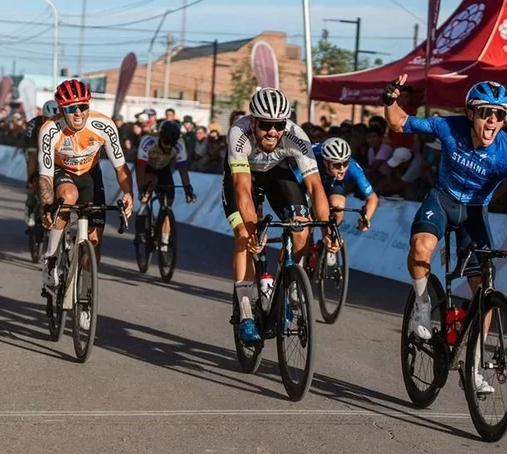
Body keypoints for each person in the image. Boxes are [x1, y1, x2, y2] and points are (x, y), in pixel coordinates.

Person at [384, 74, 507, 394]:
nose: (492, 120)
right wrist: (390, 100)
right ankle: (421, 305)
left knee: (484, 291)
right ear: (471, 113)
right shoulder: (449, 127)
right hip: (442, 199)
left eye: (500, 114)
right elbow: (399, 123)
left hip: (475, 212)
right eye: (486, 112)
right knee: (421, 248)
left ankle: (473, 364)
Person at [223, 88, 335, 344]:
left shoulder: (297, 137)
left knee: (302, 225)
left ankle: (286, 284)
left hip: (276, 173)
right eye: (266, 125)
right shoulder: (239, 134)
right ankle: (246, 314)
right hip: (243, 175)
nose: (273, 131)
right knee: (244, 234)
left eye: (279, 125)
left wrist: (328, 228)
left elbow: (315, 186)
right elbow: (241, 188)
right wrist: (251, 229)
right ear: (253, 121)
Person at [37, 79, 134, 292]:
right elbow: (45, 176)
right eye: (72, 108)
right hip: (62, 171)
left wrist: (128, 193)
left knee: (95, 237)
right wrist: (46, 207)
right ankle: (51, 257)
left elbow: (120, 167)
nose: (79, 113)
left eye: (84, 106)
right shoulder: (50, 130)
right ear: (62, 110)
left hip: (90, 173)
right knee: (68, 196)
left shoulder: (104, 125)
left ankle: (87, 291)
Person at [291, 137, 380, 267]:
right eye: (337, 165)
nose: (342, 168)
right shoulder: (310, 160)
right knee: (305, 221)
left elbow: (372, 198)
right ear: (326, 162)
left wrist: (366, 218)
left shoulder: (352, 167)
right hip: (309, 182)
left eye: (345, 163)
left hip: (333, 184)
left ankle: (331, 239)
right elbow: (292, 186)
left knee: (338, 207)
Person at [135, 120, 197, 250]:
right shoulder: (148, 141)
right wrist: (142, 190)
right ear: (161, 136)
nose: (169, 146)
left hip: (163, 169)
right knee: (151, 185)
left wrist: (188, 190)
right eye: (166, 142)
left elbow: (182, 169)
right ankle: (141, 220)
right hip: (147, 168)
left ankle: (164, 240)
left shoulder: (179, 143)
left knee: (168, 203)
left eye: (172, 143)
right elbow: (140, 167)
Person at [23, 100, 59, 227]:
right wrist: (31, 177)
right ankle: (30, 204)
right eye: (48, 120)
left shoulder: (63, 124)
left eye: (55, 120)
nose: (51, 123)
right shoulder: (33, 125)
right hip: (36, 148)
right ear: (43, 117)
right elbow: (33, 155)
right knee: (34, 171)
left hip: (54, 150)